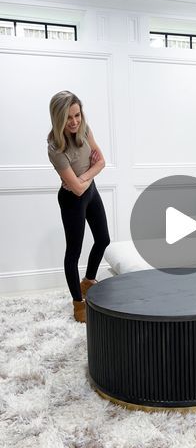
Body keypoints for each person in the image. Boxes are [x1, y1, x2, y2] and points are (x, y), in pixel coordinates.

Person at [47, 91, 110, 323]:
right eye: (68, 118)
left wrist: (82, 178)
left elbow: (101, 161)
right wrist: (86, 177)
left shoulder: (84, 128)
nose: (74, 122)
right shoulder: (55, 148)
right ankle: (78, 302)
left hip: (90, 192)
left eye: (77, 115)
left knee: (103, 239)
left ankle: (88, 281)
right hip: (71, 201)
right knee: (73, 252)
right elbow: (76, 190)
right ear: (58, 119)